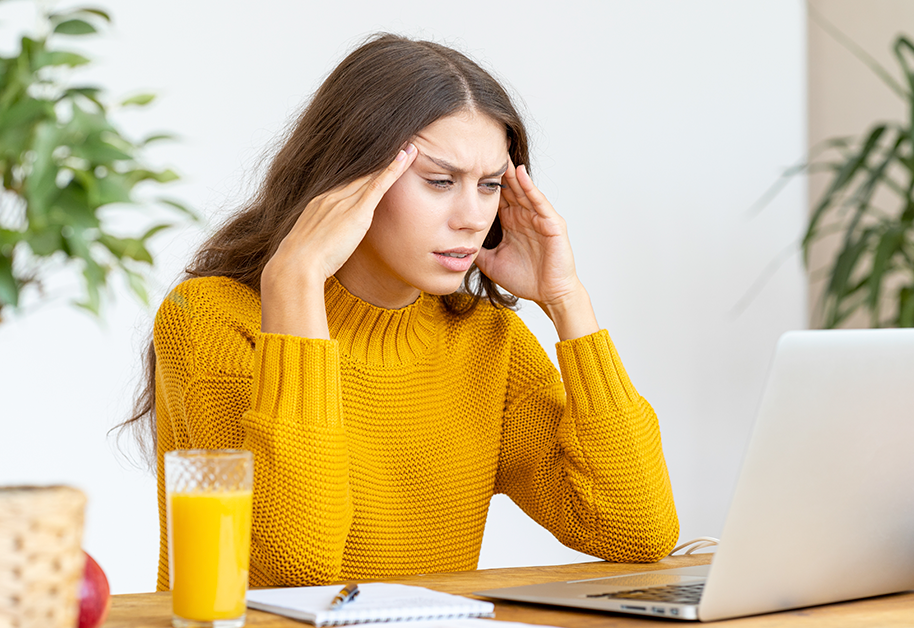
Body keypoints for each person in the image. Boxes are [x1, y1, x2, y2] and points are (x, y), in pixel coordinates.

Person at [124, 33, 679, 590]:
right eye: (439, 182)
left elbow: (639, 531)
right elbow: (292, 566)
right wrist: (294, 283)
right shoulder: (212, 318)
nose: (471, 217)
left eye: (489, 186)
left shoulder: (489, 341)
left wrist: (567, 301)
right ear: (348, 178)